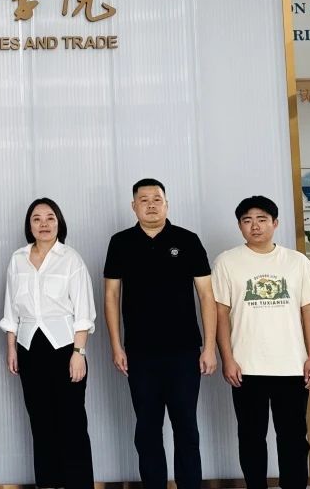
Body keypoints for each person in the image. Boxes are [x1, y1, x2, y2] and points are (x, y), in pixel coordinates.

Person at [103, 178, 217, 489]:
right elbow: (111, 296)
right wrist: (116, 345)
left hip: (184, 351)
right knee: (147, 429)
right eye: (144, 200)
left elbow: (206, 295)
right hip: (140, 353)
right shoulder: (120, 242)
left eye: (157, 199)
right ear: (133, 206)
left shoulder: (188, 240)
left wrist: (209, 347)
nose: (151, 205)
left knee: (186, 427)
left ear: (167, 203)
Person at [213, 196, 310, 489]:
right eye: (247, 220)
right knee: (251, 437)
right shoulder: (227, 261)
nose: (255, 226)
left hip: (291, 366)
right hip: (246, 367)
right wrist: (227, 358)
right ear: (240, 225)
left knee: (293, 437)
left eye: (262, 219)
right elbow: (220, 314)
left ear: (275, 223)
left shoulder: (296, 262)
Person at [0, 197, 96, 489]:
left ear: (59, 223)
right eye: (37, 219)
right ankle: (49, 484)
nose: (44, 224)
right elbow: (11, 309)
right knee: (40, 423)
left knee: (72, 423)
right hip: (29, 349)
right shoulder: (17, 259)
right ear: (29, 226)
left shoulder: (71, 258)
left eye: (50, 218)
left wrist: (79, 352)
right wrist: (11, 347)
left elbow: (84, 311)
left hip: (66, 348)